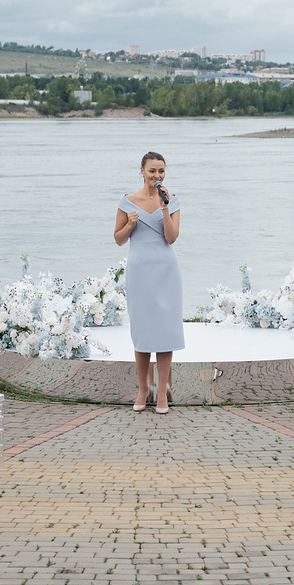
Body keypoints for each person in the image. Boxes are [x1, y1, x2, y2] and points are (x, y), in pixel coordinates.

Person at [113, 151, 183, 413]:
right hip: (140, 271)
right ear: (141, 171)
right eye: (152, 170)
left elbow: (172, 237)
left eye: (161, 171)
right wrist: (130, 225)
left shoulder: (172, 201)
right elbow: (119, 239)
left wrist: (165, 209)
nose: (157, 175)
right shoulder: (127, 202)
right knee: (142, 331)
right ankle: (144, 388)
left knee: (165, 331)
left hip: (166, 270)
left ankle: (163, 391)